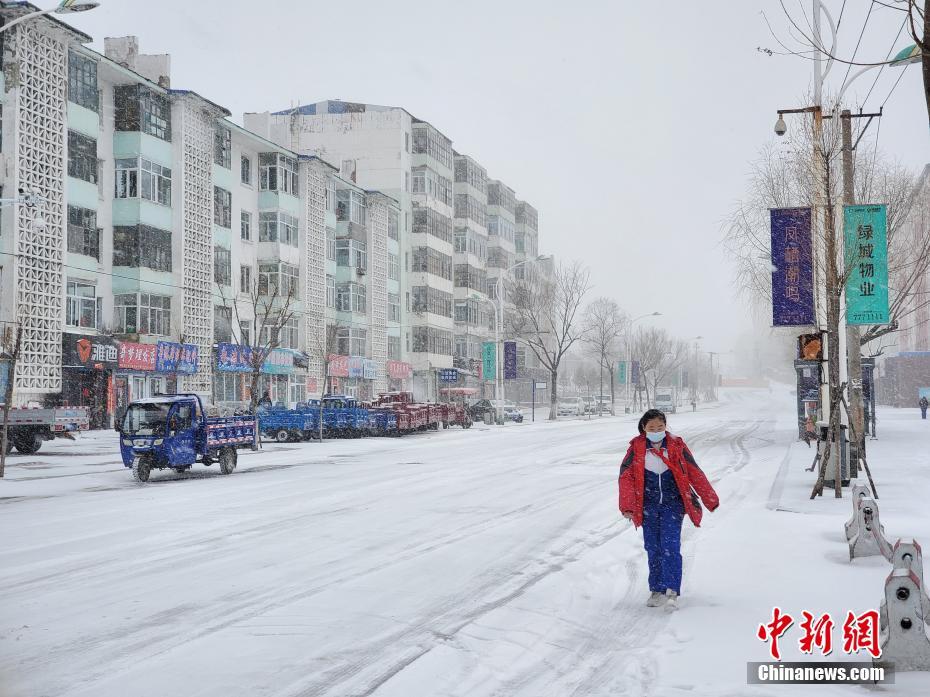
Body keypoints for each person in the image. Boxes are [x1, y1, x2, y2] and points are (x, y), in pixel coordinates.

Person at [618, 409, 720, 611]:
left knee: (670, 546)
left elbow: (693, 471)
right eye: (651, 428)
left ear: (665, 426)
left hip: (673, 505)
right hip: (647, 505)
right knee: (653, 547)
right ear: (644, 428)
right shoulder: (636, 448)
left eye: (660, 427)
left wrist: (710, 498)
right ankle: (656, 589)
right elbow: (626, 477)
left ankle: (672, 589)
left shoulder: (676, 445)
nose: (656, 430)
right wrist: (628, 506)